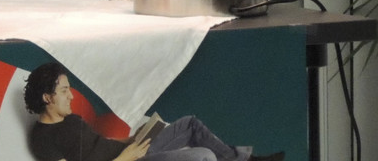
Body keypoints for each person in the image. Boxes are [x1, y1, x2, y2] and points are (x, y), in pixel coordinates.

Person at [23, 62, 284, 161]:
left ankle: (246, 160)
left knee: (189, 124)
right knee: (204, 156)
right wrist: (126, 157)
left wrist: (131, 139)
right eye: (64, 91)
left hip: (131, 150)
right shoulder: (43, 139)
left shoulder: (70, 119)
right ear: (47, 97)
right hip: (130, 160)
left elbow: (98, 145)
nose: (71, 96)